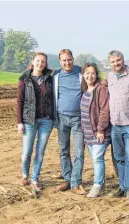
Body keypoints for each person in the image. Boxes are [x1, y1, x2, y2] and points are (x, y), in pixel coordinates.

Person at [16, 52, 54, 191]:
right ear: (33, 61)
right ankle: (25, 175)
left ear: (46, 63)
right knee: (27, 152)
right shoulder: (24, 79)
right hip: (29, 121)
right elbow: (20, 101)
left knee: (40, 152)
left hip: (46, 121)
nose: (40, 64)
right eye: (38, 61)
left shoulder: (50, 78)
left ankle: (35, 178)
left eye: (43, 62)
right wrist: (19, 122)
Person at [53, 49, 85, 195]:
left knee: (79, 151)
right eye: (64, 60)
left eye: (69, 59)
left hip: (78, 119)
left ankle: (76, 182)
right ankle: (67, 178)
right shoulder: (56, 76)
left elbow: (94, 78)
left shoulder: (81, 73)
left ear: (73, 59)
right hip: (61, 118)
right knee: (63, 150)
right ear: (60, 62)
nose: (67, 62)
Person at [107, 50, 129, 203]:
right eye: (113, 62)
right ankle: (122, 187)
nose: (116, 64)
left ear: (123, 60)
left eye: (119, 60)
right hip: (115, 125)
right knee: (119, 158)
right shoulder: (109, 76)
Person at [80, 63, 111, 197]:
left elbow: (105, 110)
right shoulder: (85, 90)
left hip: (98, 131)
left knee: (98, 158)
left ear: (96, 74)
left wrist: (101, 129)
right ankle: (100, 183)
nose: (90, 76)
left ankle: (97, 185)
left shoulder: (101, 89)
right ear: (83, 75)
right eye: (87, 73)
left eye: (92, 73)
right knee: (94, 158)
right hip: (87, 132)